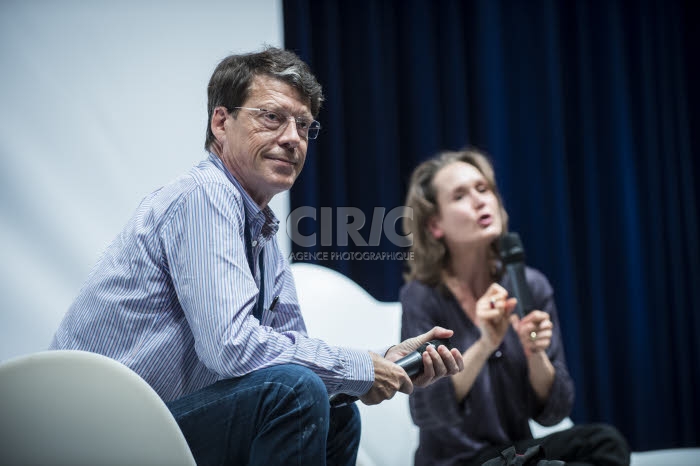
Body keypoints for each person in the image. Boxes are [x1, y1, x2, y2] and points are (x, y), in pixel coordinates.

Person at [49, 47, 464, 466]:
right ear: (221, 121)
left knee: (339, 413)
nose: (292, 138)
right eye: (272, 117)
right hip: (94, 435)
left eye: (303, 125)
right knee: (294, 391)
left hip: (158, 424)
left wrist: (382, 363)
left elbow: (290, 349)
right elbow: (231, 348)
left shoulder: (262, 231)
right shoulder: (204, 196)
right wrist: (359, 369)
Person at [400, 148, 630, 466]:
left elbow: (554, 412)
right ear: (435, 225)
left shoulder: (531, 286)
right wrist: (484, 344)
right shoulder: (422, 296)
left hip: (516, 453)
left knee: (605, 442)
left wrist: (534, 352)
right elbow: (428, 412)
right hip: (457, 462)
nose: (481, 201)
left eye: (484, 189)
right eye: (460, 196)